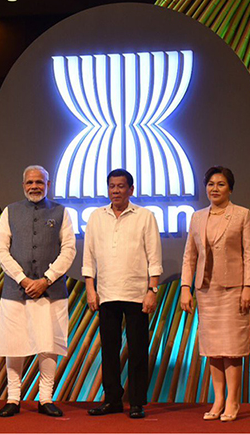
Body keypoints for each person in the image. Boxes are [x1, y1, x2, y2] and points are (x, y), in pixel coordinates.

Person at [0, 165, 76, 417]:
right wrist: (22, 279)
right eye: (30, 182)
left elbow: (69, 250)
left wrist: (46, 280)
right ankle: (13, 398)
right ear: (23, 185)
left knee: (48, 344)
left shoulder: (61, 212)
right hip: (15, 291)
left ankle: (46, 399)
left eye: (39, 182)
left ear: (48, 185)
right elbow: (1, 250)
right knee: (13, 344)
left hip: (50, 292)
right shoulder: (10, 212)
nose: (34, 186)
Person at [83, 169, 163, 419]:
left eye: (121, 186)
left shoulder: (145, 216)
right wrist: (90, 288)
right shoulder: (96, 217)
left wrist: (152, 290)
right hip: (106, 293)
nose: (115, 191)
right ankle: (113, 400)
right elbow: (89, 256)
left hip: (137, 293)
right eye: (111, 186)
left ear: (131, 189)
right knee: (109, 349)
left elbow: (154, 257)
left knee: (138, 349)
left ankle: (137, 402)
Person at [180, 166, 250, 422]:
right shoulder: (197, 217)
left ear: (230, 188)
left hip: (235, 290)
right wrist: (185, 289)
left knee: (232, 348)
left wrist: (249, 287)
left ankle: (233, 400)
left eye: (221, 184)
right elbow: (189, 257)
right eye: (211, 183)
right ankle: (219, 399)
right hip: (206, 290)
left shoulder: (242, 215)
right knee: (213, 348)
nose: (215, 188)